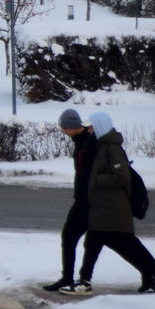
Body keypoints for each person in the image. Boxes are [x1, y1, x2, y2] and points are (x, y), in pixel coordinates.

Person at [63, 112, 155, 295]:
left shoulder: (112, 149)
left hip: (114, 209)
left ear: (100, 127)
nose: (89, 130)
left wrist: (97, 180)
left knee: (128, 245)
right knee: (94, 241)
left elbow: (121, 177)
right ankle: (84, 282)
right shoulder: (101, 147)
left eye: (91, 127)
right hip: (104, 207)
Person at [43, 109, 96, 293]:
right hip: (84, 199)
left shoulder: (89, 143)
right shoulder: (81, 141)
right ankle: (70, 278)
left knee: (113, 240)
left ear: (74, 126)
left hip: (88, 202)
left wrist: (87, 195)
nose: (64, 131)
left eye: (66, 128)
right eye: (63, 128)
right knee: (73, 237)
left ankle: (75, 279)